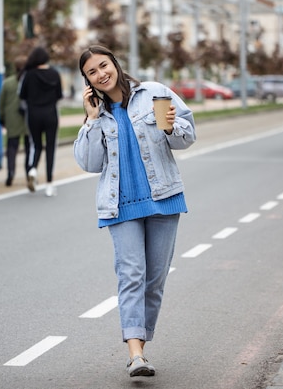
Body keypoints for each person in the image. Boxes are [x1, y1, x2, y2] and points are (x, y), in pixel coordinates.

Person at [73, 45, 196, 377]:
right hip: (120, 206)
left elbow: (187, 137)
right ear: (87, 80)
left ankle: (142, 342)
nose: (101, 74)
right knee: (131, 275)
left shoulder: (154, 94)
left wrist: (171, 128)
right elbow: (89, 163)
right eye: (92, 72)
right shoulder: (97, 113)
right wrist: (92, 120)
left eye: (104, 65)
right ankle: (136, 354)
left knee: (154, 281)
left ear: (114, 62)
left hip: (163, 198)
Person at [19, 46, 63, 196]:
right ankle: (49, 185)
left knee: (36, 145)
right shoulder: (55, 74)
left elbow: (22, 95)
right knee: (51, 148)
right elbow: (59, 95)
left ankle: (32, 169)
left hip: (33, 114)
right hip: (51, 114)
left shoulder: (29, 75)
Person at [0, 56, 30, 186]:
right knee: (29, 147)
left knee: (12, 148)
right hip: (27, 117)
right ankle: (29, 172)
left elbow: (1, 103)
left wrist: (2, 117)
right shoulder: (29, 81)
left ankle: (11, 172)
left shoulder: (7, 83)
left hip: (12, 118)